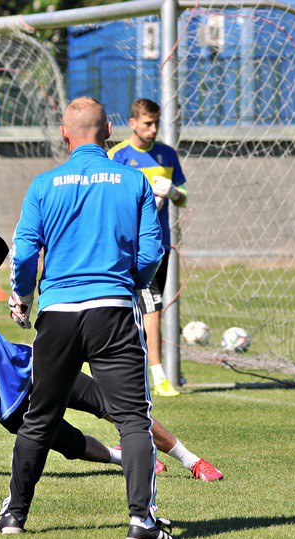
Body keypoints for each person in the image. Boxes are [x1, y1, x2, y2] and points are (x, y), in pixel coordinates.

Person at [0, 208, 221, 484]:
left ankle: (193, 461)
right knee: (74, 447)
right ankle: (120, 457)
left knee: (117, 408)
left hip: (41, 368)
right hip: (11, 410)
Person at [1, 96, 177, 539]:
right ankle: (142, 521)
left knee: (39, 418)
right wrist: (128, 281)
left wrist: (23, 296)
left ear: (65, 134)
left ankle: (14, 517)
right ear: (110, 130)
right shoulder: (133, 181)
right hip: (113, 311)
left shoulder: (43, 184)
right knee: (132, 419)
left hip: (57, 314)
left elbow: (24, 253)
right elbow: (153, 252)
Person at [108, 98, 188, 398]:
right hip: (131, 248)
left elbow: (184, 199)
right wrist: (139, 204)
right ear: (132, 123)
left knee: (149, 311)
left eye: (156, 123)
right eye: (147, 124)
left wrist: (174, 192)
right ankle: (159, 375)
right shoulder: (117, 156)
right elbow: (108, 201)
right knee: (151, 309)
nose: (153, 129)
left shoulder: (167, 155)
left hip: (160, 244)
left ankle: (134, 369)